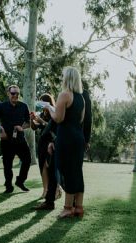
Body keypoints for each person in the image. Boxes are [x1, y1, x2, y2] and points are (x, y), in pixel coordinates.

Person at [45, 66, 86, 218]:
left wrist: (50, 109)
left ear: (67, 78)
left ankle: (68, 208)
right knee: (77, 171)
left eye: (63, 76)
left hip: (66, 137)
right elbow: (81, 119)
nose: (62, 78)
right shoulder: (81, 98)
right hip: (78, 137)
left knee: (66, 170)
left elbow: (59, 118)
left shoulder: (64, 95)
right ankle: (79, 207)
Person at [0, 85, 31, 193]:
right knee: (7, 164)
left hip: (20, 139)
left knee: (27, 160)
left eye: (18, 94)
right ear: (8, 94)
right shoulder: (1, 106)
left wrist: (21, 127)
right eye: (13, 93)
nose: (16, 96)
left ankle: (20, 181)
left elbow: (28, 123)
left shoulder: (24, 106)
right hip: (7, 140)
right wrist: (1, 130)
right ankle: (8, 185)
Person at [30, 93, 60, 201]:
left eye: (43, 102)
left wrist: (41, 121)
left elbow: (52, 127)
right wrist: (32, 119)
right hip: (42, 143)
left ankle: (56, 190)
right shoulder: (42, 114)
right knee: (42, 166)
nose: (42, 105)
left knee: (50, 167)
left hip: (51, 142)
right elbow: (34, 128)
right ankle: (45, 190)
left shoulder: (55, 113)